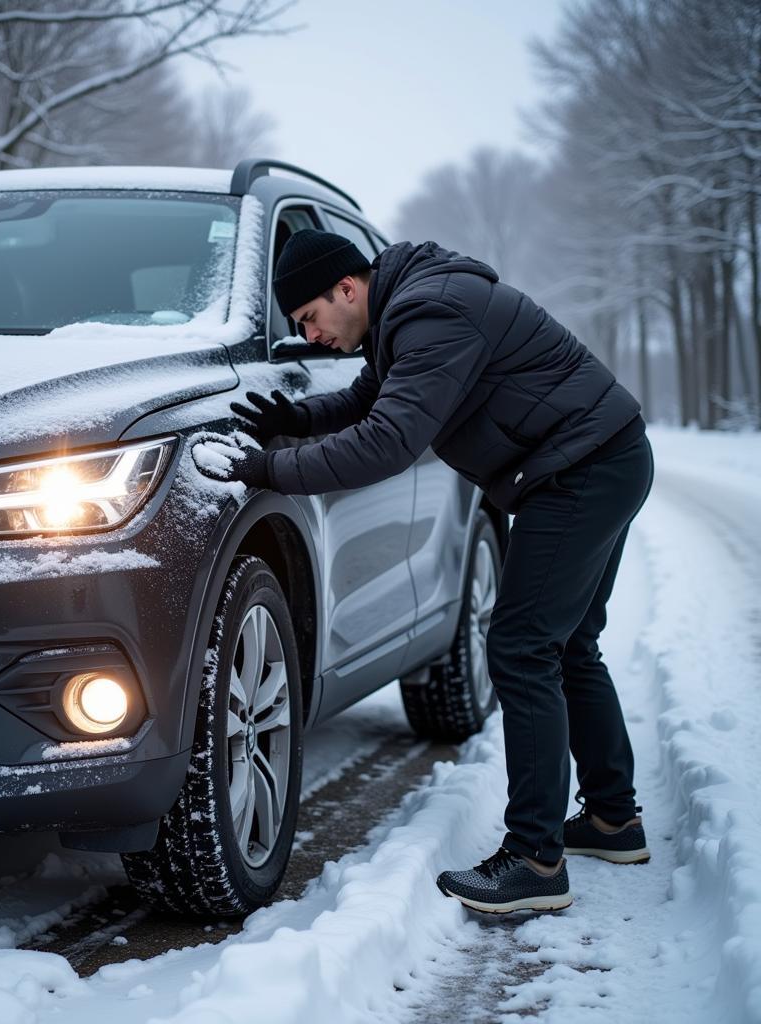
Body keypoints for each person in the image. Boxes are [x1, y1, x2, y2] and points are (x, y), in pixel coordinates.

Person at [193, 228, 654, 914]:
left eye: (310, 318)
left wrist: (270, 470)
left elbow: (389, 441)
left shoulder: (432, 313)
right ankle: (614, 820)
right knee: (571, 645)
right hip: (604, 457)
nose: (311, 334)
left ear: (346, 288)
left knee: (524, 648)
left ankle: (535, 861)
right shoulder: (408, 309)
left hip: (581, 472)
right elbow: (367, 400)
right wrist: (296, 418)